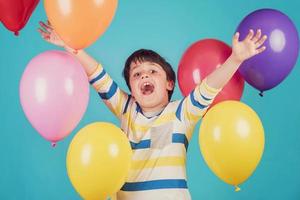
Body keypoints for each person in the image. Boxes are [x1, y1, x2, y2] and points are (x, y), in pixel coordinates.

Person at [38, 21, 267, 200]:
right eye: (136, 75)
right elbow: (98, 76)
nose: (144, 76)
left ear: (169, 84)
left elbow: (209, 87)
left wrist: (236, 59)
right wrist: (70, 47)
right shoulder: (127, 109)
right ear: (132, 91)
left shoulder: (182, 113)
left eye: (152, 71)